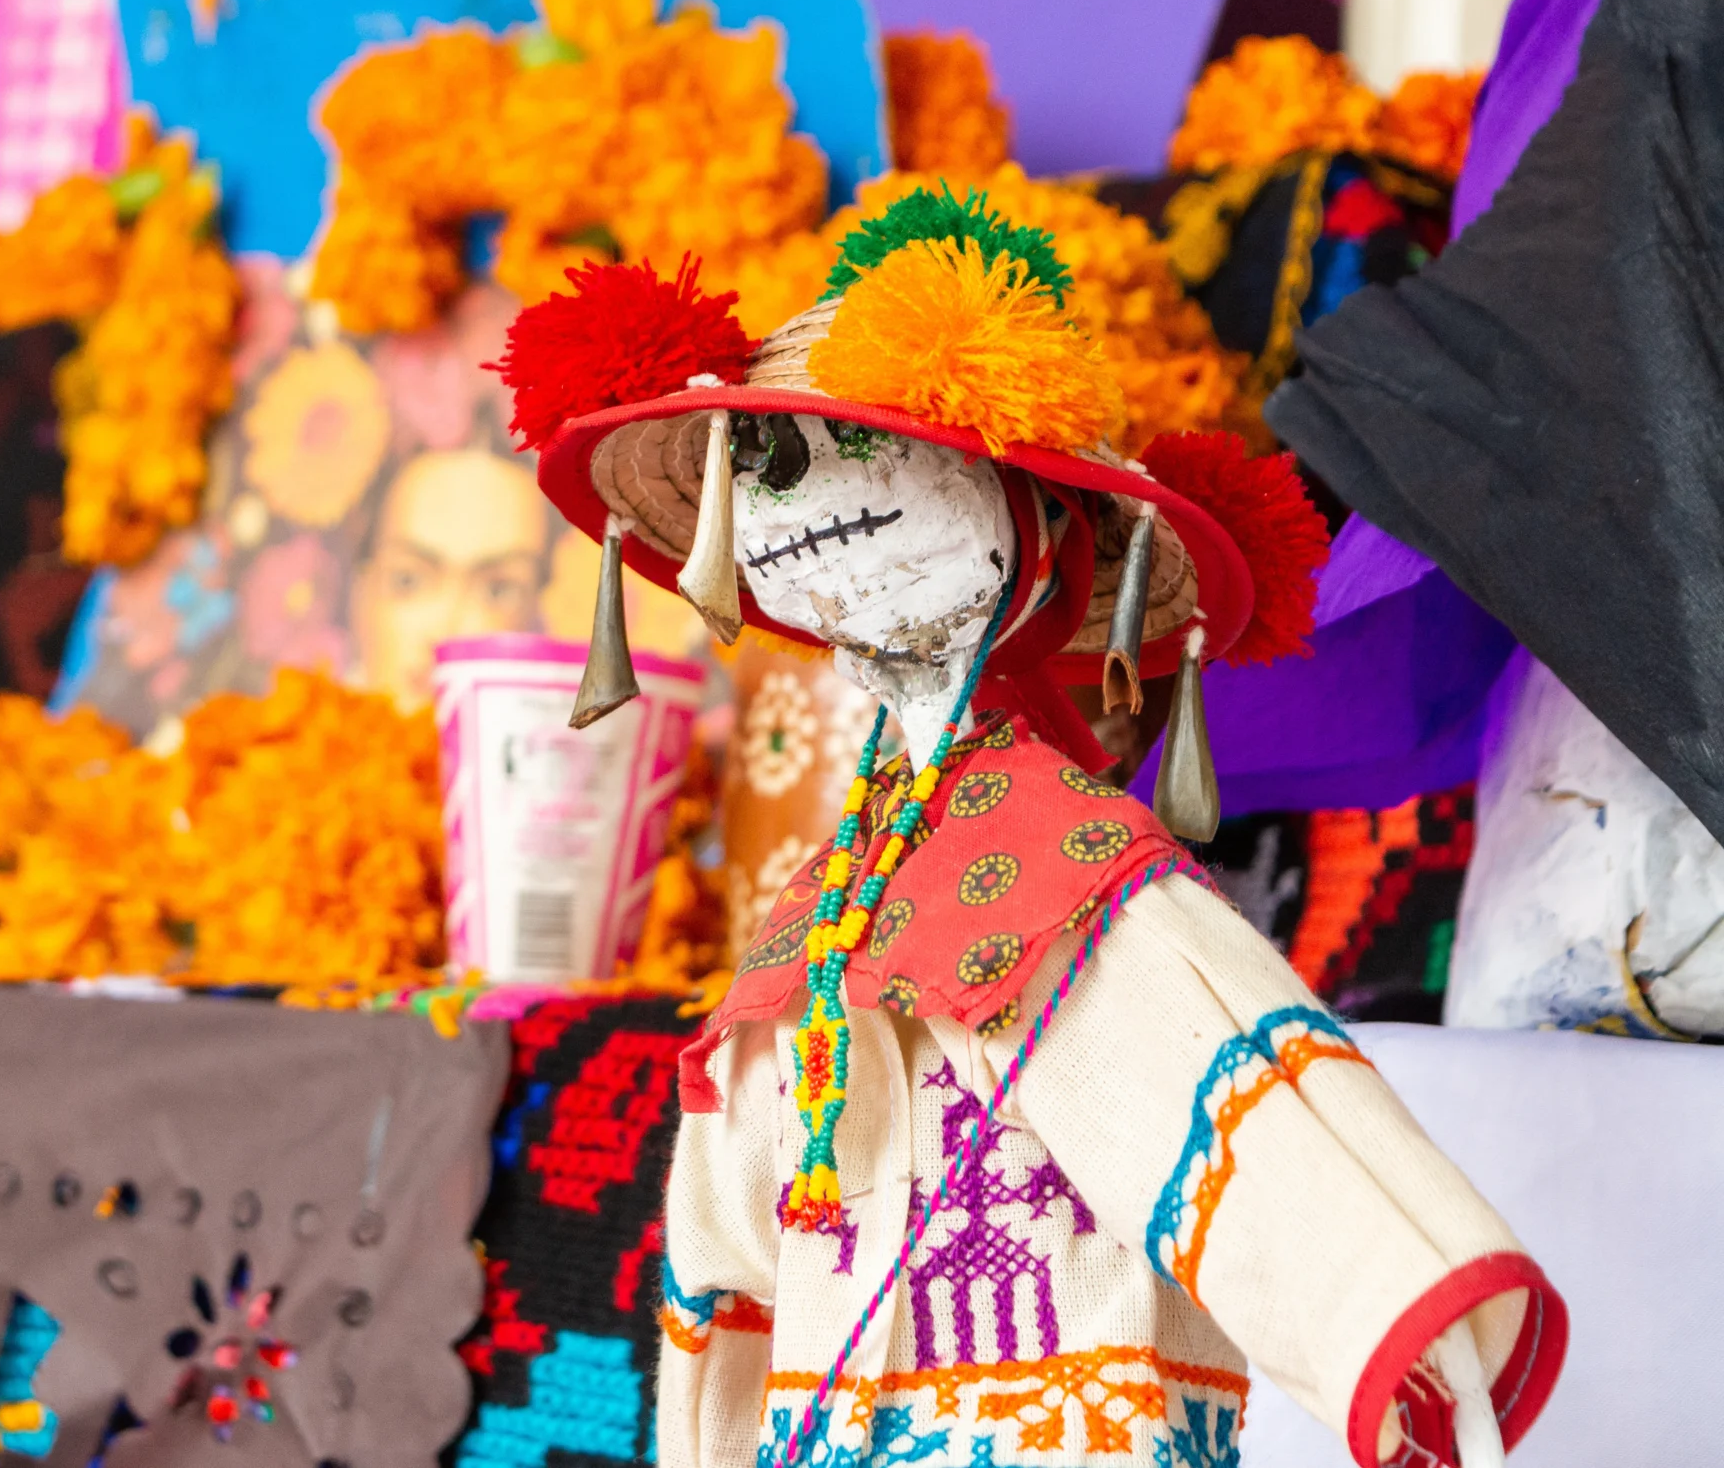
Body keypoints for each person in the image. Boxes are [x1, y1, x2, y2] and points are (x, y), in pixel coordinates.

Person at [492, 208, 1559, 1468]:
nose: (805, 501)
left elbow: (1226, 1101)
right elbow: (731, 1234)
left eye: (870, 449)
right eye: (771, 462)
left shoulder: (1076, 879)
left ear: (1037, 531)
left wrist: (1398, 1330)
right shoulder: (827, 907)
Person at [348, 446, 547, 706]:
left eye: (497, 591)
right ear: (362, 596)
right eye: (408, 580)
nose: (446, 631)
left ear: (536, 617)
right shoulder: (287, 736)